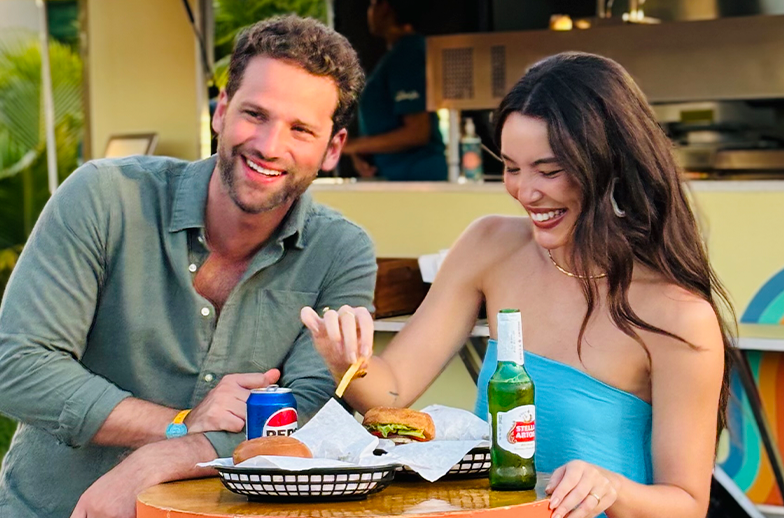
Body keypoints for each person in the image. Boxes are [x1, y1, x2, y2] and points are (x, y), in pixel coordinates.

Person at [302, 52, 735, 518]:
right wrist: (349, 362)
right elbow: (393, 393)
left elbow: (687, 505)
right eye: (511, 167)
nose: (526, 192)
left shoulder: (678, 315)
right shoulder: (490, 245)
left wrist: (610, 487)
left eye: (549, 171)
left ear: (610, 164)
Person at [0, 15, 375, 518]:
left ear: (332, 149)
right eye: (255, 114)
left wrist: (161, 459)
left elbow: (315, 409)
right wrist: (179, 422)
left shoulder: (341, 252)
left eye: (300, 129)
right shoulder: (105, 198)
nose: (268, 146)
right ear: (221, 111)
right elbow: (17, 366)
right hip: (56, 510)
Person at [342, 0, 448, 181]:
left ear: (385, 8)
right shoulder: (400, 53)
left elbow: (417, 132)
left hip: (418, 179)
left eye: (373, 3)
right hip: (397, 176)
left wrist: (353, 146)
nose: (369, 12)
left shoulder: (407, 54)